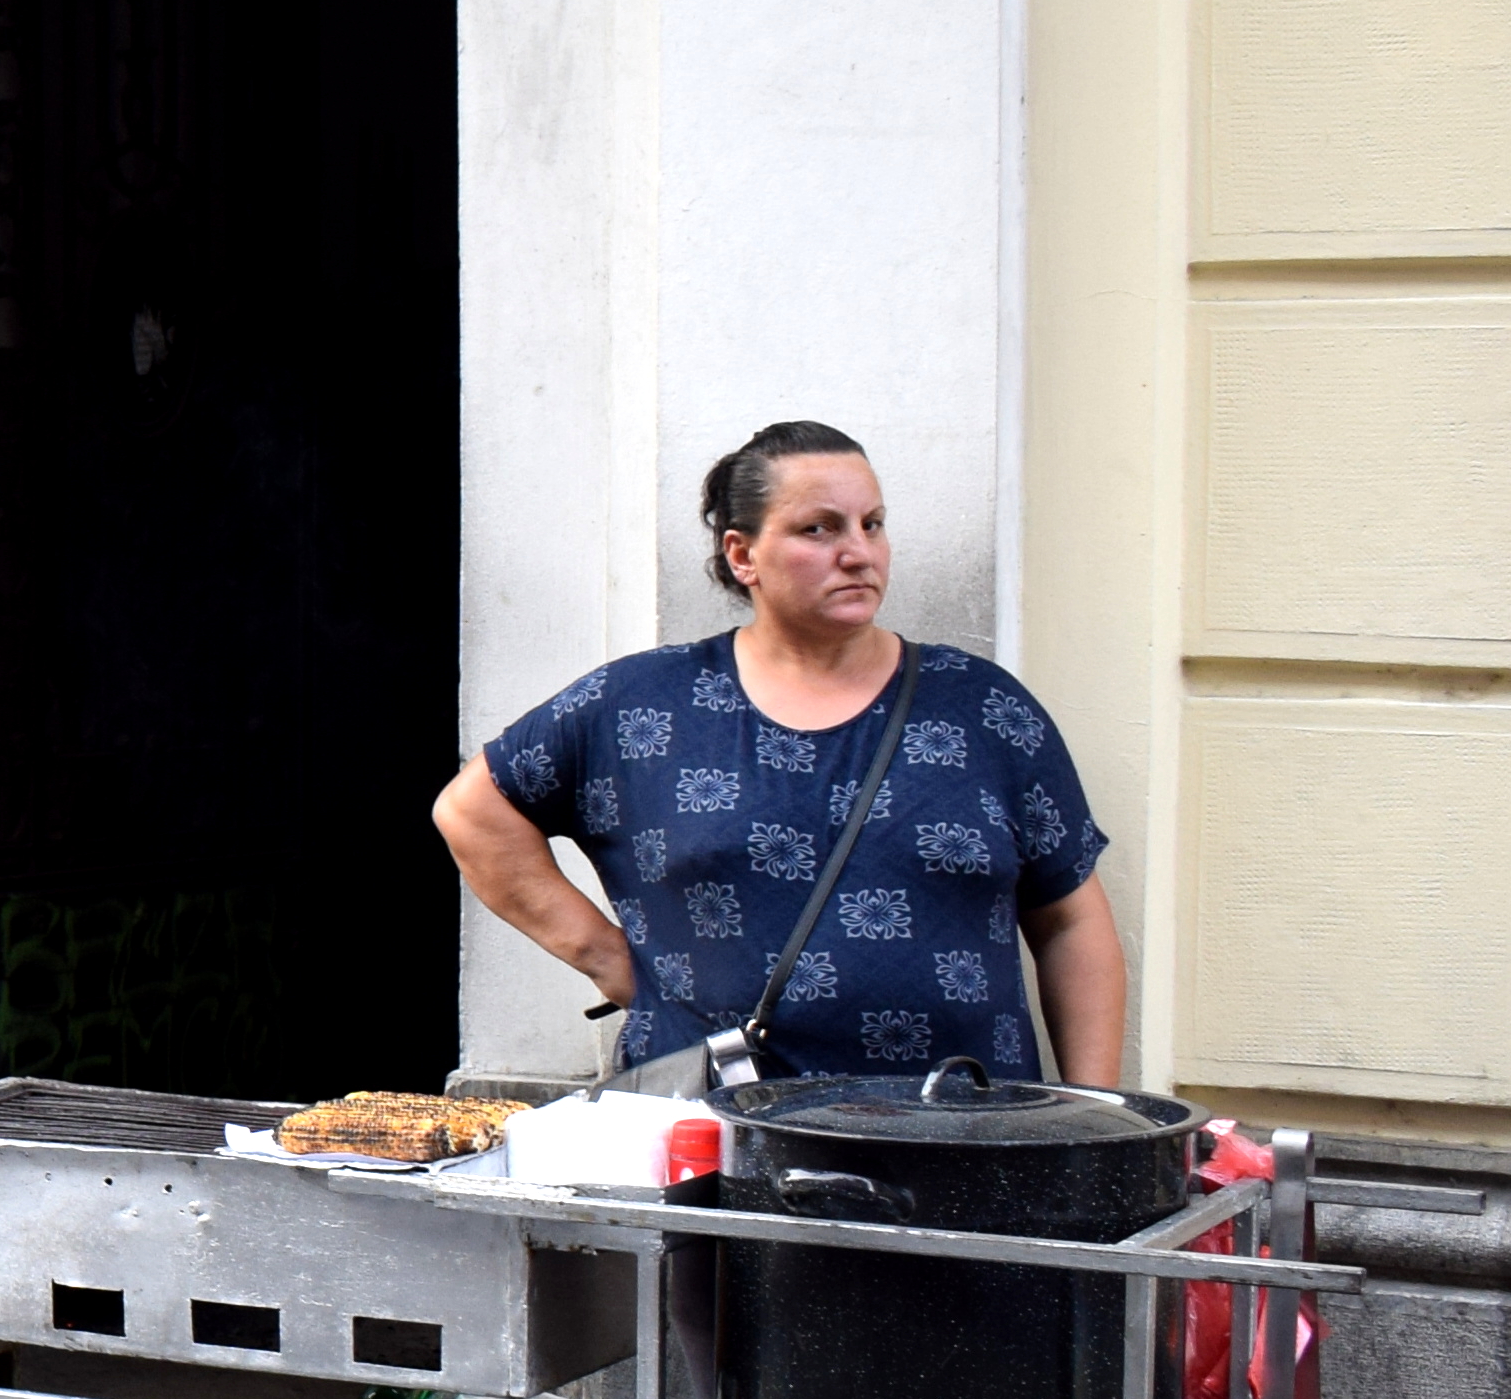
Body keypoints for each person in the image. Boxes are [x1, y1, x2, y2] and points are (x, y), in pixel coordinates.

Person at [432, 419, 1131, 1085]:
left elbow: (1070, 919)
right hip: (720, 1143)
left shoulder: (982, 707)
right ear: (743, 555)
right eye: (818, 529)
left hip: (964, 1134)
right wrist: (606, 957)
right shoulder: (641, 704)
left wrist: (1095, 1115)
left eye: (872, 524)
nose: (858, 552)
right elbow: (473, 810)